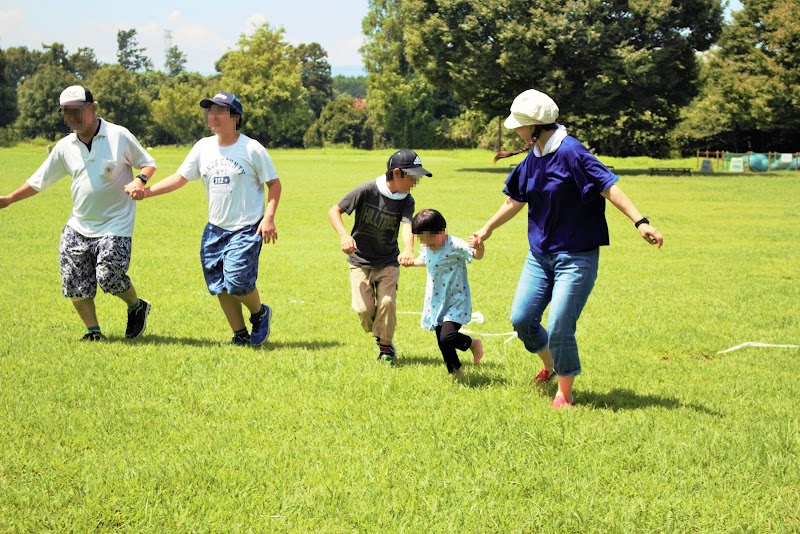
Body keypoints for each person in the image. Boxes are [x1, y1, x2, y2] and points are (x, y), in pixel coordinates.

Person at [470, 89, 663, 408]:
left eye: (519, 124)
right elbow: (516, 199)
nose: (515, 130)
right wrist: (486, 229)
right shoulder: (534, 157)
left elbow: (608, 185)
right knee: (522, 319)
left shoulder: (571, 152)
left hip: (576, 256)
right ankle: (550, 365)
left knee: (560, 323)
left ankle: (565, 391)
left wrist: (640, 221)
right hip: (539, 256)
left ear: (536, 125)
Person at [0, 85, 156, 341]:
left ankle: (137, 306)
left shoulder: (118, 135)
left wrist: (140, 180)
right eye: (66, 112)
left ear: (92, 109)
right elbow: (39, 180)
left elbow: (148, 163)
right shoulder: (65, 146)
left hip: (115, 224)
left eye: (76, 111)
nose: (71, 117)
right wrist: (9, 199)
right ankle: (94, 332)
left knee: (109, 275)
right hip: (79, 225)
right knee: (74, 283)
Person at [127, 91, 281, 346]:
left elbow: (274, 185)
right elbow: (180, 178)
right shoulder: (203, 147)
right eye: (211, 111)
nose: (213, 116)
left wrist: (269, 218)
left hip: (246, 227)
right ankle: (240, 334)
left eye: (220, 111)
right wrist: (147, 192)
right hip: (215, 229)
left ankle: (260, 313)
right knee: (219, 284)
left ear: (235, 117)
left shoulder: (252, 148)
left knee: (237, 280)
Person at [328, 149, 431, 365]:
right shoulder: (367, 190)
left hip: (387, 261)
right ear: (396, 173)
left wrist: (408, 249)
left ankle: (386, 348)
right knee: (363, 310)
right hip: (360, 260)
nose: (414, 182)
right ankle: (380, 332)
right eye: (411, 177)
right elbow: (334, 211)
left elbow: (407, 225)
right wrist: (344, 236)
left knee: (387, 303)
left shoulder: (406, 200)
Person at [408, 209, 484, 380]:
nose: (427, 245)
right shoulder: (427, 246)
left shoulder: (455, 245)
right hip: (436, 301)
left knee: (447, 336)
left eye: (431, 241)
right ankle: (455, 372)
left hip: (456, 300)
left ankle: (472, 344)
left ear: (442, 233)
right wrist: (411, 262)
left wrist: (479, 247)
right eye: (422, 241)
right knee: (442, 341)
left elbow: (476, 255)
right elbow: (425, 259)